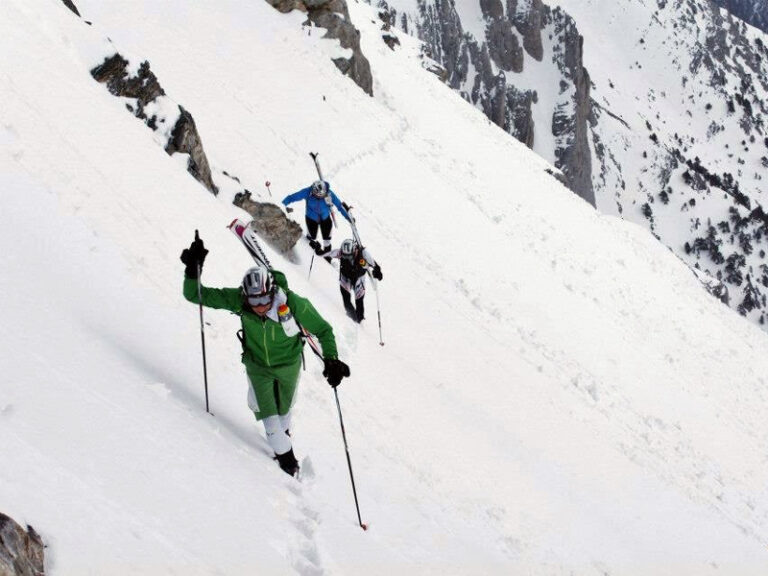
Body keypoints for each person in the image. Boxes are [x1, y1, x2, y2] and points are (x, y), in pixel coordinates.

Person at [180, 234, 350, 477]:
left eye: (263, 299)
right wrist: (192, 271)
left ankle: (284, 437)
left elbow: (323, 330)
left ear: (271, 292)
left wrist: (331, 359)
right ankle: (288, 463)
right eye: (253, 300)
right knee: (272, 425)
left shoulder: (293, 303)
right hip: (258, 367)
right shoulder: (239, 301)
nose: (259, 306)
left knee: (284, 416)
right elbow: (195, 295)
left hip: (289, 366)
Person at [282, 180, 351, 256]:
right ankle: (310, 251)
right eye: (315, 194)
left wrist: (347, 217)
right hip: (311, 218)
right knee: (311, 237)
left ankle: (327, 254)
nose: (317, 196)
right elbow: (293, 197)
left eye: (319, 195)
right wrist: (282, 204)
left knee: (327, 238)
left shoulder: (330, 194)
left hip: (325, 218)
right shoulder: (308, 191)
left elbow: (339, 206)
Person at [328, 239, 383, 323]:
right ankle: (352, 319)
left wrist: (377, 272)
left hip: (359, 279)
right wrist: (318, 249)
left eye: (349, 256)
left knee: (359, 301)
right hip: (347, 277)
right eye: (345, 256)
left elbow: (375, 266)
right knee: (346, 301)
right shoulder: (342, 254)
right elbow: (329, 253)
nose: (348, 258)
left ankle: (359, 321)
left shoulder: (364, 254)